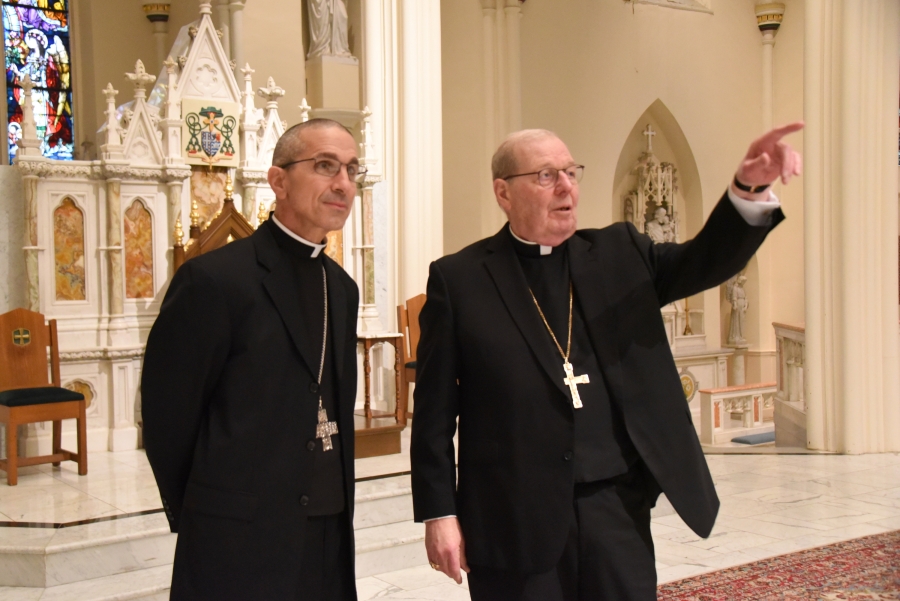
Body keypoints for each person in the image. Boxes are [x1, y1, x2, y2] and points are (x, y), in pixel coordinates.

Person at [410, 123, 802, 600]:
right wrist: (440, 513)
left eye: (571, 173)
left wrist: (748, 190)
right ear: (503, 192)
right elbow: (432, 413)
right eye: (546, 175)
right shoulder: (461, 279)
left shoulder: (619, 253)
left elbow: (705, 260)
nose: (566, 187)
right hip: (512, 515)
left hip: (615, 508)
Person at [142, 118, 362, 601]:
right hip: (237, 535)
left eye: (351, 169)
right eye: (325, 166)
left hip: (328, 527)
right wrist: (208, 511)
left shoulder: (341, 289)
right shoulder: (214, 280)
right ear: (278, 180)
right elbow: (168, 417)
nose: (343, 183)